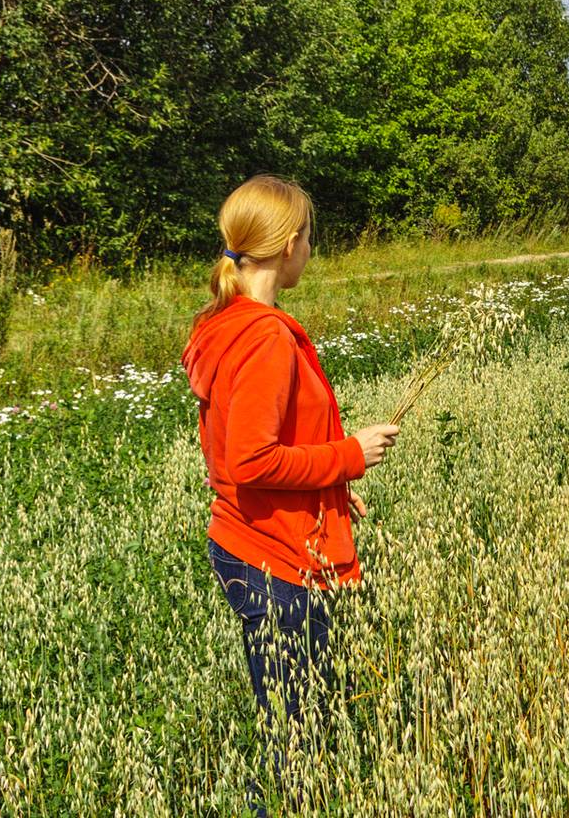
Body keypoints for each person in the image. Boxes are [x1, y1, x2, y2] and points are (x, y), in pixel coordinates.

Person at [181, 174, 400, 791]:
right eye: (309, 238)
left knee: (294, 721)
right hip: (272, 558)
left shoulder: (226, 322)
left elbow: (254, 451)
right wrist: (349, 455)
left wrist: (327, 488)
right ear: (288, 245)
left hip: (254, 538)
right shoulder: (266, 337)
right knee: (296, 741)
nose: (311, 250)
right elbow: (251, 460)